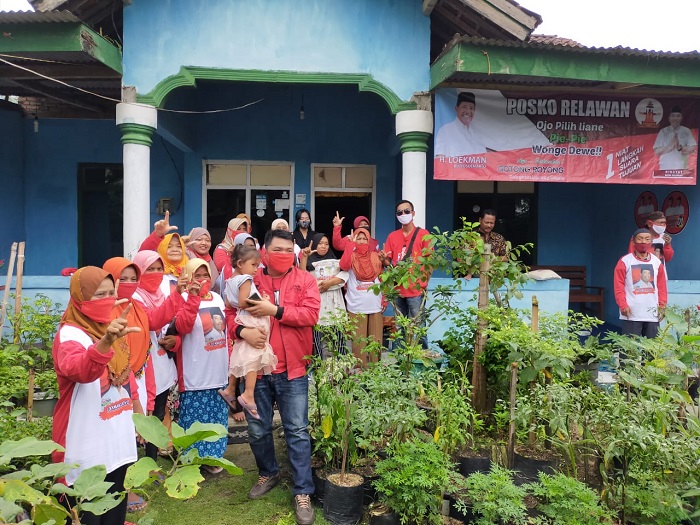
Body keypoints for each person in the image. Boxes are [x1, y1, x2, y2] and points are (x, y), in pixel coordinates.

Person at [235, 229, 320, 525]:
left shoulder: (305, 280)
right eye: (277, 250)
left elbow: (310, 315)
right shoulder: (250, 279)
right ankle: (268, 472)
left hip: (292, 369)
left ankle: (303, 491)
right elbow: (229, 313)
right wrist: (241, 331)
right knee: (258, 429)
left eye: (288, 250)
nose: (283, 255)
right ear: (265, 252)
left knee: (297, 431)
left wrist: (276, 310)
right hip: (256, 371)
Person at [52, 266, 142, 525]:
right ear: (80, 298)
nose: (107, 299)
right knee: (87, 516)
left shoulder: (112, 328)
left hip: (117, 443)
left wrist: (138, 415)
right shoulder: (70, 335)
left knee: (114, 513)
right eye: (99, 294)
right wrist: (105, 342)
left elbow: (126, 375)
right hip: (85, 450)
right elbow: (80, 370)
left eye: (111, 293)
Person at [169, 258, 230, 472]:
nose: (202, 280)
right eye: (197, 275)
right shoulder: (182, 298)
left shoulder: (217, 298)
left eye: (206, 275)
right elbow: (183, 327)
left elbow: (224, 333)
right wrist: (193, 298)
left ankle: (213, 458)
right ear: (188, 277)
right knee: (194, 419)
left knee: (216, 418)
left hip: (218, 371)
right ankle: (191, 461)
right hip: (195, 374)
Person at [131, 251, 184, 461]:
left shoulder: (161, 294)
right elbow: (153, 321)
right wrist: (176, 296)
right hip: (144, 366)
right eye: (149, 269)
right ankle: (138, 462)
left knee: (159, 414)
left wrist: (175, 341)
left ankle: (151, 462)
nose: (155, 273)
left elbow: (173, 324)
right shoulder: (135, 298)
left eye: (159, 269)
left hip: (162, 363)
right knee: (143, 416)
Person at [221, 245, 277, 419]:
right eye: (253, 265)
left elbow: (229, 304)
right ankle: (248, 393)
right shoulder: (245, 279)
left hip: (241, 320)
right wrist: (262, 301)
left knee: (241, 355)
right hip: (252, 321)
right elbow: (243, 302)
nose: (255, 270)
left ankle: (231, 388)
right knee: (253, 358)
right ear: (240, 263)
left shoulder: (230, 281)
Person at [381, 200, 432, 349]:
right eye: (400, 212)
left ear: (413, 213)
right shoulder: (392, 236)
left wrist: (425, 283)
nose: (403, 214)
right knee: (399, 326)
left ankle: (422, 356)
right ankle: (400, 357)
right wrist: (383, 259)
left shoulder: (423, 234)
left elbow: (429, 261)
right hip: (398, 288)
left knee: (419, 325)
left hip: (416, 288)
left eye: (406, 211)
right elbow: (389, 263)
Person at [339, 228, 383, 367]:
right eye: (359, 238)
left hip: (375, 303)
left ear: (369, 241)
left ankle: (376, 370)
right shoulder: (350, 256)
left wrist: (385, 299)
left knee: (376, 341)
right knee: (358, 342)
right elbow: (343, 265)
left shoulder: (376, 256)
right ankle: (359, 371)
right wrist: (350, 245)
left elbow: (383, 278)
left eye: (365, 239)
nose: (362, 241)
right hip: (356, 304)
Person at [301, 232, 348, 358]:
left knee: (338, 336)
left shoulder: (336, 261)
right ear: (314, 244)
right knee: (318, 337)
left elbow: (345, 274)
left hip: (335, 303)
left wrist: (330, 283)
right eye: (320, 243)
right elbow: (302, 276)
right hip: (318, 303)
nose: (323, 246)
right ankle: (318, 366)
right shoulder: (309, 262)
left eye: (326, 244)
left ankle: (340, 365)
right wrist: (304, 257)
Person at [614, 229, 667, 339]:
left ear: (651, 242)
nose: (643, 242)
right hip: (631, 314)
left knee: (652, 348)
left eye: (647, 239)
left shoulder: (657, 262)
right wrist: (622, 305)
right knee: (629, 348)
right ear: (633, 241)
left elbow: (662, 287)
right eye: (640, 239)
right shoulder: (625, 261)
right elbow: (618, 285)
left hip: (653, 315)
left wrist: (662, 305)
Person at [435, 91, 486, 157]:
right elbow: (440, 158)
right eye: (464, 107)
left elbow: (483, 159)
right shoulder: (445, 130)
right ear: (456, 108)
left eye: (471, 108)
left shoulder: (477, 134)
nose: (468, 111)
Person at [653, 105, 697, 170]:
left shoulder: (686, 131)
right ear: (669, 118)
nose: (675, 118)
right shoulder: (663, 132)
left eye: (678, 116)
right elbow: (656, 152)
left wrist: (681, 148)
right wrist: (670, 147)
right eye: (673, 116)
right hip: (665, 167)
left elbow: (692, 149)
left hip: (682, 167)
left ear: (681, 117)